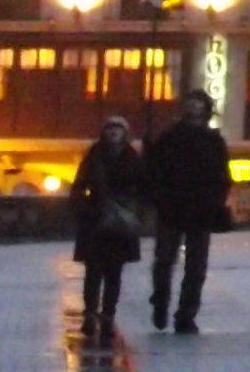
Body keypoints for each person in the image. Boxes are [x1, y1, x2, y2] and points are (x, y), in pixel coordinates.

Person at [145, 90, 233, 335]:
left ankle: (186, 314)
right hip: (171, 209)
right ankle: (161, 302)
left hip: (201, 212)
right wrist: (160, 198)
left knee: (195, 268)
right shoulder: (169, 138)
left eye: (198, 104)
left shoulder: (213, 141)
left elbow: (222, 176)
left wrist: (215, 201)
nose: (194, 109)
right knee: (164, 263)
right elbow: (155, 170)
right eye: (190, 104)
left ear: (205, 109)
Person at [70, 118, 146, 340]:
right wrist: (83, 209)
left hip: (121, 222)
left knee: (114, 273)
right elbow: (79, 185)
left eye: (118, 128)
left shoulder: (133, 158)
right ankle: (90, 314)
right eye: (110, 128)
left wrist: (136, 212)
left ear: (125, 133)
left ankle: (108, 316)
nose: (113, 132)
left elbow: (143, 188)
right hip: (95, 220)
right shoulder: (94, 156)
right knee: (93, 272)